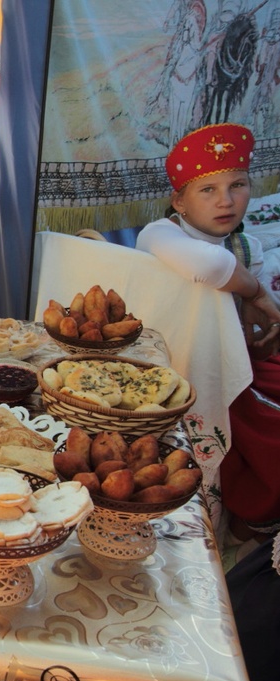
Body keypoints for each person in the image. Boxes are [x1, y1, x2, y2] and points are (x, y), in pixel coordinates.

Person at [136, 122, 280, 540]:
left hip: (227, 361)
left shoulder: (248, 247)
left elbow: (252, 328)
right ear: (179, 201)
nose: (226, 201)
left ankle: (248, 520)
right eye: (208, 190)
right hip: (173, 364)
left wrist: (264, 330)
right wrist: (256, 293)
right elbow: (210, 267)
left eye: (238, 185)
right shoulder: (159, 234)